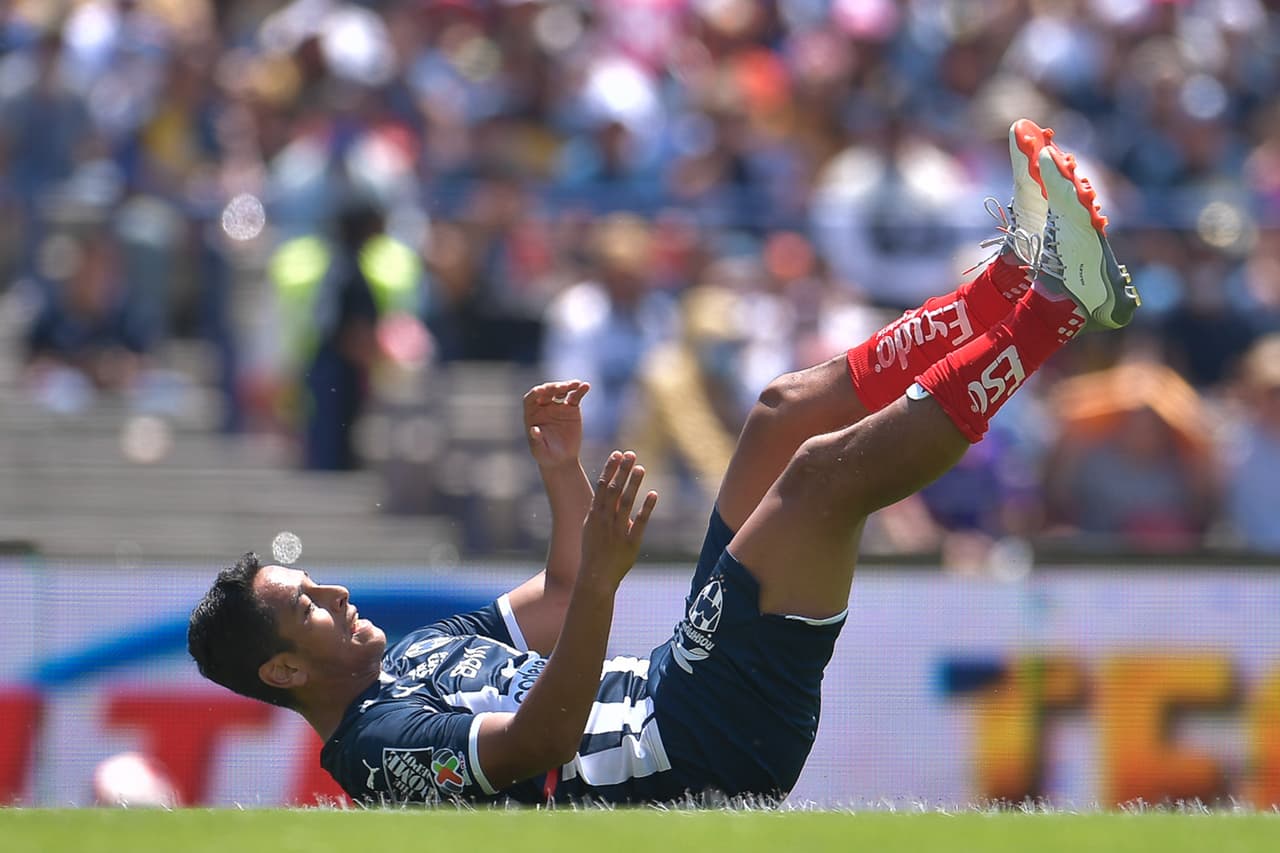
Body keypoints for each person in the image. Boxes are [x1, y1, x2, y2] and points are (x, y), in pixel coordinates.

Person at [188, 120, 1140, 805]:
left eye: (316, 582)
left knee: (779, 413)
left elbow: (558, 593)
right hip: (699, 750)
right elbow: (539, 741)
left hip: (680, 687)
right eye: (307, 606)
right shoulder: (371, 751)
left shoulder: (419, 653)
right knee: (815, 482)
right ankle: (1057, 304)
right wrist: (606, 578)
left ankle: (1014, 280)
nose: (337, 594)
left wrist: (562, 475)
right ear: (281, 668)